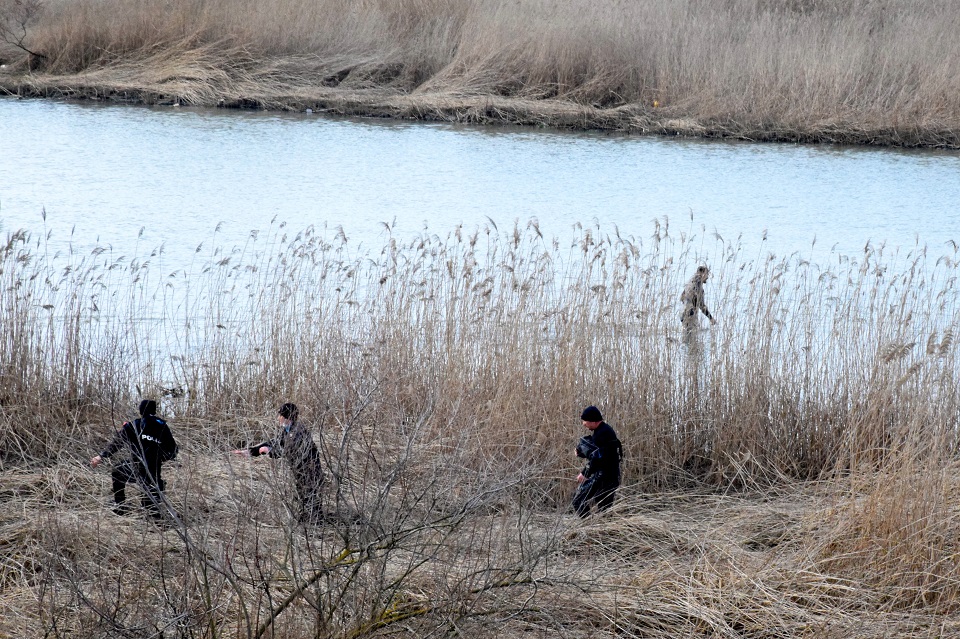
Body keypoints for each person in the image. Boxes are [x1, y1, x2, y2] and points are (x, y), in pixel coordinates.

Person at [233, 403, 325, 524]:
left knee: (311, 499)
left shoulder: (298, 431)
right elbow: (273, 443)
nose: (278, 418)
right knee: (304, 498)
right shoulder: (287, 430)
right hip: (300, 471)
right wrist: (250, 451)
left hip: (310, 471)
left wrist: (270, 452)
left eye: (280, 415)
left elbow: (286, 450)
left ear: (286, 416)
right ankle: (308, 523)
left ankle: (315, 526)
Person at [90, 399, 178, 519]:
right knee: (152, 509)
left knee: (117, 471)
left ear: (141, 410)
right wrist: (160, 458)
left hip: (137, 465)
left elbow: (117, 444)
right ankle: (154, 513)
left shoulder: (134, 425)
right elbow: (173, 451)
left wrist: (101, 456)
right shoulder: (162, 425)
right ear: (154, 410)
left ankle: (120, 506)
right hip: (154, 469)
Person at [572, 405, 622, 517]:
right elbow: (598, 452)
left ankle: (591, 527)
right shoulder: (602, 430)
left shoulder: (603, 433)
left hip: (606, 477)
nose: (583, 423)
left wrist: (584, 473)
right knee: (603, 508)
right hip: (605, 475)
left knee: (579, 500)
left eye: (585, 421)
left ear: (593, 421)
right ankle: (594, 528)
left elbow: (598, 457)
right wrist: (581, 452)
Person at [680, 264, 717, 335]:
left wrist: (688, 304)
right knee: (691, 338)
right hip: (690, 316)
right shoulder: (698, 285)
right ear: (702, 274)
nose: (707, 277)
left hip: (683, 314)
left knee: (685, 337)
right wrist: (711, 318)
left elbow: (682, 298)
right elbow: (702, 306)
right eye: (707, 274)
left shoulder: (690, 283)